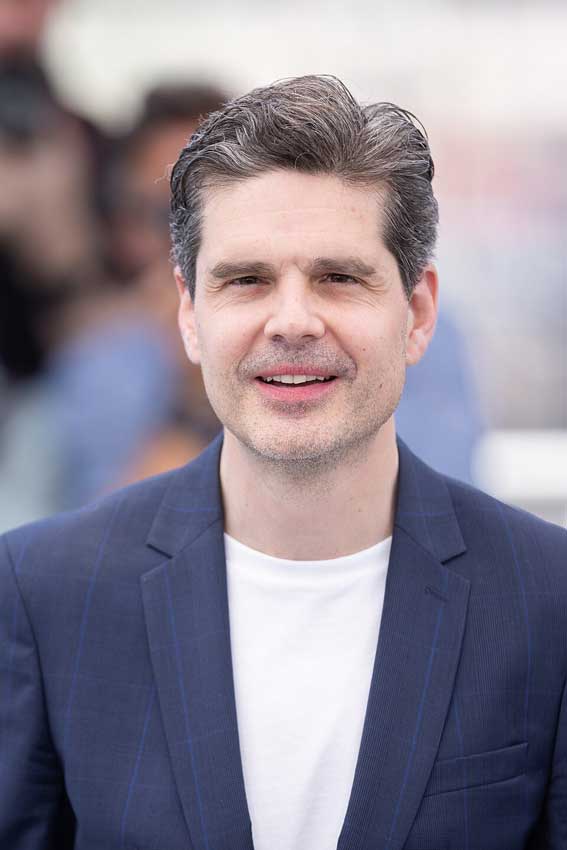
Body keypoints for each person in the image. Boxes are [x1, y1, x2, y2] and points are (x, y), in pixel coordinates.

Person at [0, 75, 565, 850]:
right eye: (246, 280)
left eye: (338, 277)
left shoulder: (547, 600)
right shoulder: (44, 592)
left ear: (417, 312)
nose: (291, 321)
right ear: (190, 315)